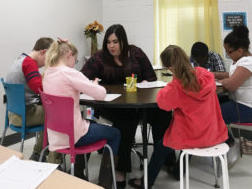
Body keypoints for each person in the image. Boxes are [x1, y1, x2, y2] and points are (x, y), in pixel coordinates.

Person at [81, 24, 174, 188]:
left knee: (163, 114)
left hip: (139, 102)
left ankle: (167, 159)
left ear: (123, 41)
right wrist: (94, 84)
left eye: (115, 41)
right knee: (127, 121)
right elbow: (82, 78)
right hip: (112, 105)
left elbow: (151, 76)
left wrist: (145, 82)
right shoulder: (99, 57)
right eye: (109, 42)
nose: (111, 46)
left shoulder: (136, 53)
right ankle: (121, 171)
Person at [128, 45, 228, 188]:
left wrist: (172, 83)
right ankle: (177, 171)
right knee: (190, 136)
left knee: (161, 147)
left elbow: (163, 104)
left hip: (192, 135)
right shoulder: (205, 74)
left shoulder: (176, 87)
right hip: (213, 131)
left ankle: (146, 182)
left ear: (170, 68)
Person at [42, 39, 120, 189]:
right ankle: (105, 184)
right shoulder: (70, 73)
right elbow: (100, 94)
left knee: (92, 124)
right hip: (74, 136)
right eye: (75, 60)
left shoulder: (47, 73)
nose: (75, 64)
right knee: (115, 133)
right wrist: (94, 85)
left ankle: (78, 172)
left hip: (55, 135)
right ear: (69, 55)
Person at [5, 37, 61, 163]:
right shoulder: (29, 64)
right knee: (58, 115)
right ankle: (54, 161)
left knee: (48, 112)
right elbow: (40, 88)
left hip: (14, 114)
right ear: (43, 52)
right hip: (25, 115)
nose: (49, 63)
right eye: (49, 58)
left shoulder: (20, 59)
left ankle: (38, 153)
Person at [215, 25, 252, 139]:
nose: (227, 55)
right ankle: (226, 142)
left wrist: (219, 81)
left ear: (240, 50)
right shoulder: (241, 60)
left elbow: (231, 85)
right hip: (241, 104)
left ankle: (229, 143)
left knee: (211, 113)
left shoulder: (248, 63)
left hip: (250, 109)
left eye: (229, 52)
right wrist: (212, 75)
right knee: (211, 105)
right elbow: (231, 75)